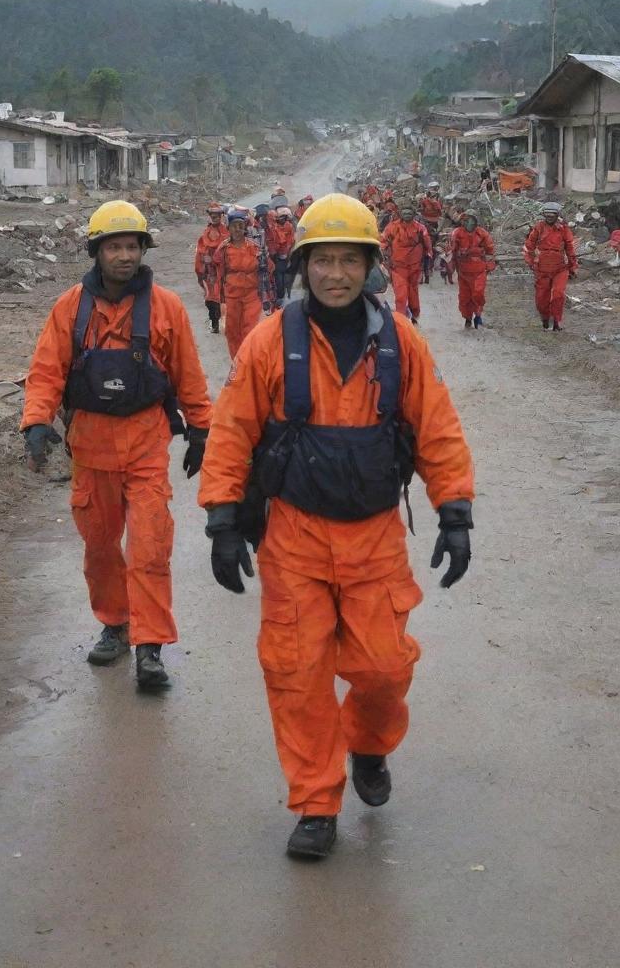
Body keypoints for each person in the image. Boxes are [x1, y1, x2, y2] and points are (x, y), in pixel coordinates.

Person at [198, 193, 475, 859]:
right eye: (324, 260)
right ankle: (316, 803)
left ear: (370, 267)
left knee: (382, 669)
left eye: (350, 260)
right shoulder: (270, 340)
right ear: (303, 266)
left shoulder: (400, 343)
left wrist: (455, 512)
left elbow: (436, 427)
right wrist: (223, 519)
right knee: (298, 672)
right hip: (294, 536)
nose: (336, 274)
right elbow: (232, 429)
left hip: (375, 537)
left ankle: (370, 747)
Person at [20, 201, 213, 688]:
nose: (124, 256)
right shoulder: (70, 307)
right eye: (114, 247)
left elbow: (188, 374)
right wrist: (36, 422)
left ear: (143, 250)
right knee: (101, 547)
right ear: (97, 251)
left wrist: (201, 430)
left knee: (149, 546)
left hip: (147, 445)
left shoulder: (166, 307)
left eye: (132, 246)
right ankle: (114, 625)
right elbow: (47, 370)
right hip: (90, 449)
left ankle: (150, 647)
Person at [215, 210, 264, 357]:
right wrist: (220, 298)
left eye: (240, 225)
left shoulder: (255, 247)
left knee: (250, 330)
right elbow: (220, 275)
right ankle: (237, 361)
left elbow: (268, 268)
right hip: (232, 295)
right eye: (234, 226)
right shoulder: (223, 249)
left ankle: (248, 359)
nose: (237, 229)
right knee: (231, 330)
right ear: (228, 228)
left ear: (245, 227)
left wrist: (264, 260)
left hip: (252, 295)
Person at [523, 201, 578, 332]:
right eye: (547, 215)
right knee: (541, 299)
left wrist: (572, 267)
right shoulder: (539, 228)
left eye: (552, 215)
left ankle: (557, 322)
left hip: (560, 268)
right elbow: (528, 246)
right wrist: (530, 262)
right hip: (542, 268)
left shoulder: (564, 229)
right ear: (543, 215)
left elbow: (570, 248)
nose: (549, 217)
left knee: (558, 295)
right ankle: (545, 319)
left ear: (557, 215)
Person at [380, 206, 432, 323]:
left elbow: (427, 244)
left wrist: (428, 257)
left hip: (415, 266)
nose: (407, 214)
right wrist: (382, 253)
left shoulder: (420, 228)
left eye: (410, 212)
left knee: (413, 293)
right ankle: (401, 320)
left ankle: (415, 314)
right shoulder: (392, 226)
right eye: (405, 212)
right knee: (401, 295)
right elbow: (383, 241)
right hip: (398, 267)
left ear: (414, 214)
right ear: (400, 214)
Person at [449, 209, 496, 330]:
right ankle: (467, 318)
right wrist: (450, 268)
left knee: (478, 293)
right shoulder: (457, 233)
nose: (468, 223)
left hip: (479, 271)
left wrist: (489, 266)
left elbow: (490, 251)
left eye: (471, 220)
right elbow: (451, 252)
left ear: (476, 221)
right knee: (465, 297)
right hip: (463, 271)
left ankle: (478, 315)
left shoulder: (482, 234)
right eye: (466, 220)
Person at [195, 202, 229, 334]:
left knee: (222, 298)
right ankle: (215, 323)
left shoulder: (226, 232)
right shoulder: (206, 232)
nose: (214, 217)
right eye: (212, 215)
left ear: (221, 216)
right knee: (210, 299)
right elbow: (200, 252)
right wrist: (202, 265)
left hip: (222, 272)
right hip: (210, 272)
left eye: (217, 215)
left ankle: (223, 322)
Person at [266, 206, 296, 305]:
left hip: (284, 256)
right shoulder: (275, 228)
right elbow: (275, 244)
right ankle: (282, 297)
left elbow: (290, 241)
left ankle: (283, 297)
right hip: (280, 257)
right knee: (280, 278)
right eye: (281, 217)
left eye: (284, 217)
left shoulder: (287, 227)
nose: (283, 219)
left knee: (282, 277)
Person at [419, 184, 443, 270]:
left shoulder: (424, 201)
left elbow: (421, 209)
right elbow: (440, 212)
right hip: (434, 221)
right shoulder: (435, 202)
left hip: (426, 220)